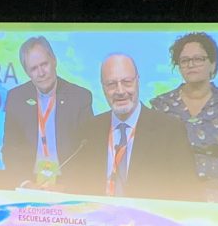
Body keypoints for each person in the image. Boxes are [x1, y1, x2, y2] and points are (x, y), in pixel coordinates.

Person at [69, 54, 197, 200]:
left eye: (127, 82)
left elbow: (189, 192)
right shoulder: (88, 132)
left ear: (138, 81)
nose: (120, 91)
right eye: (111, 84)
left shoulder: (170, 130)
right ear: (103, 87)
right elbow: (75, 188)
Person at [150, 32, 218, 203]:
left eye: (198, 59)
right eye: (185, 60)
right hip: (172, 193)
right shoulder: (161, 105)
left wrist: (185, 166)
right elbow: (153, 158)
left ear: (212, 64)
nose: (191, 65)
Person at [0, 36, 93, 188]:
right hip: (30, 182)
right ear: (27, 72)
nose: (41, 72)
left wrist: (68, 186)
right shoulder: (16, 97)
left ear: (54, 61)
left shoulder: (80, 97)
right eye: (34, 68)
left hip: (67, 185)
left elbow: (88, 152)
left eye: (44, 64)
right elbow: (10, 148)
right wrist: (24, 182)